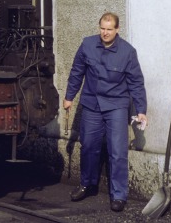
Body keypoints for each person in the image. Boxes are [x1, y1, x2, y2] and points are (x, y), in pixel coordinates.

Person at [63, 12, 147, 213]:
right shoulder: (87, 45)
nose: (105, 33)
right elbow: (77, 72)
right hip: (92, 104)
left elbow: (136, 82)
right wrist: (69, 96)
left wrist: (142, 110)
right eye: (102, 28)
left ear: (117, 30)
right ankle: (87, 184)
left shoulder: (127, 52)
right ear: (99, 27)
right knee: (88, 146)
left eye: (110, 29)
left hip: (116, 105)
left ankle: (118, 195)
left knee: (117, 152)